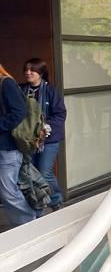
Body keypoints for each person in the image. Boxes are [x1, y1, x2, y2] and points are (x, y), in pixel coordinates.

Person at [21, 58, 67, 211]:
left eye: (32, 70)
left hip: (48, 139)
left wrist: (45, 128)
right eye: (26, 70)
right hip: (28, 139)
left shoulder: (50, 91)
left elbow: (60, 114)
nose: (28, 73)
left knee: (44, 171)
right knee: (31, 171)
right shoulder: (22, 90)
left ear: (40, 73)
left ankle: (56, 200)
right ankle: (38, 201)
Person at [0, 63, 34, 226]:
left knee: (8, 192)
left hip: (7, 148)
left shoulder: (5, 83)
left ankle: (28, 225)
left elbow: (19, 112)